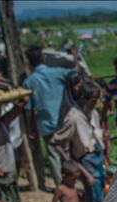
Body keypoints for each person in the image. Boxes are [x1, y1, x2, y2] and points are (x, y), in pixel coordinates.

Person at [22, 45, 78, 189]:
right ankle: (71, 181)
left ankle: (61, 185)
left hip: (46, 123)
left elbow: (28, 109)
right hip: (64, 120)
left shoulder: (29, 81)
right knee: (66, 150)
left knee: (54, 155)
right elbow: (75, 73)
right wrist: (75, 56)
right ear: (43, 58)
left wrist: (30, 126)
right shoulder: (57, 72)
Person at [50, 82, 105, 202]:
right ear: (83, 99)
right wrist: (68, 160)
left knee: (101, 196)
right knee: (95, 199)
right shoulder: (73, 118)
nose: (95, 104)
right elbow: (55, 140)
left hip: (98, 156)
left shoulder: (93, 113)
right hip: (87, 160)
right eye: (93, 101)